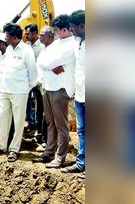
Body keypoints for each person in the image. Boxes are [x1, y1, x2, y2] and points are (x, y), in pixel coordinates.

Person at [0, 23, 37, 162]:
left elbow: (32, 73)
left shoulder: (26, 50)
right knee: (2, 119)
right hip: (5, 90)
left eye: (7, 36)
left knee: (18, 121)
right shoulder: (9, 50)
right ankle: (1, 145)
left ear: (14, 37)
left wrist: (25, 89)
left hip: (19, 92)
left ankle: (14, 149)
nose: (5, 39)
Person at [33, 14, 77, 168]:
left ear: (65, 29)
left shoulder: (70, 45)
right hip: (48, 85)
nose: (54, 33)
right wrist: (51, 65)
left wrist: (49, 64)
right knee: (50, 122)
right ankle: (49, 151)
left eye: (56, 30)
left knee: (61, 124)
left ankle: (60, 156)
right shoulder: (57, 44)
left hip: (60, 87)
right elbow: (41, 60)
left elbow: (48, 62)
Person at [61, 10, 85, 179]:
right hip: (82, 95)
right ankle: (82, 164)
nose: (71, 29)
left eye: (73, 27)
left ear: (82, 26)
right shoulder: (78, 42)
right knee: (82, 131)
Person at [23, 24, 45, 140]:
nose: (25, 36)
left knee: (39, 107)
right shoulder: (27, 47)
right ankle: (31, 124)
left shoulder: (41, 47)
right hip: (28, 81)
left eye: (27, 34)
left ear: (34, 33)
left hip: (38, 82)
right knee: (29, 105)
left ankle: (40, 132)